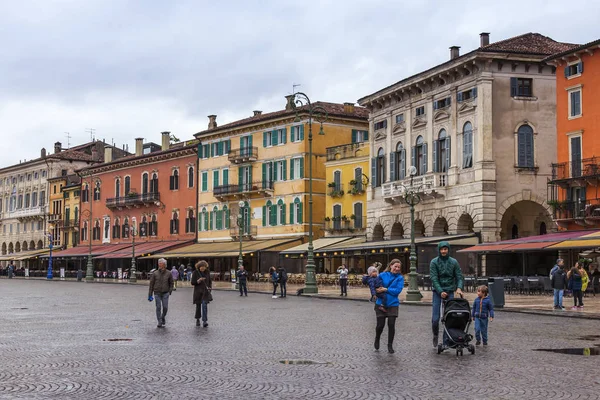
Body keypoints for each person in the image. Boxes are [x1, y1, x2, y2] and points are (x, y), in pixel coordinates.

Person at [430, 241, 464, 348]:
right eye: (442, 249)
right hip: (437, 291)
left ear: (448, 250)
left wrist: (459, 288)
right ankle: (435, 334)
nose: (444, 251)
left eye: (445, 249)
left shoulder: (454, 262)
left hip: (450, 291)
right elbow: (434, 278)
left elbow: (459, 276)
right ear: (439, 250)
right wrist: (440, 291)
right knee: (435, 318)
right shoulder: (434, 262)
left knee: (449, 317)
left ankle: (446, 341)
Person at [373, 259, 404, 353]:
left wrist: (386, 289)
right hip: (380, 303)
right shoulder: (382, 275)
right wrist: (377, 290)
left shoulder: (400, 278)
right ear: (391, 266)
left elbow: (397, 291)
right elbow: (376, 286)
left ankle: (390, 345)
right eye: (395, 266)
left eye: (399, 267)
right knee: (380, 325)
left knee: (391, 325)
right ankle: (377, 338)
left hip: (393, 304)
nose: (397, 268)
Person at [148, 258, 173, 328]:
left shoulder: (169, 273)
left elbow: (171, 283)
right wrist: (150, 295)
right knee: (158, 307)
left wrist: (170, 291)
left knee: (165, 307)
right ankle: (159, 321)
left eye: (161, 263)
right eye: (159, 263)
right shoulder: (155, 273)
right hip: (157, 293)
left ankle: (162, 317)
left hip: (165, 293)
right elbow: (151, 284)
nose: (159, 264)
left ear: (165, 264)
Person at [191, 260, 212, 327]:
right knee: (198, 307)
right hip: (198, 292)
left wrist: (210, 287)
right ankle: (197, 319)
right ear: (199, 267)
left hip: (205, 292)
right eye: (201, 267)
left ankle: (205, 321)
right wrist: (198, 281)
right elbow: (192, 282)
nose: (203, 268)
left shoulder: (207, 272)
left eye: (204, 267)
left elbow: (209, 281)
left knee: (204, 306)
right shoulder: (195, 273)